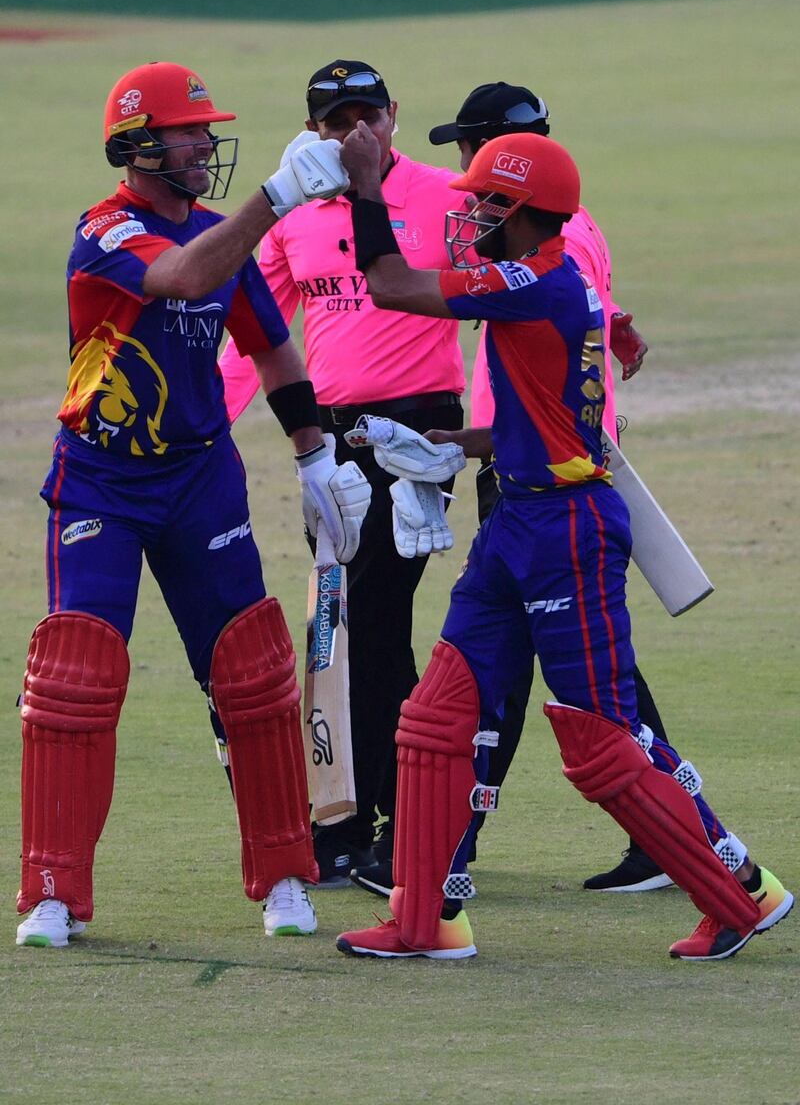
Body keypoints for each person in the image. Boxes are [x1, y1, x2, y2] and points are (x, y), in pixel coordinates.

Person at [334, 123, 792, 961]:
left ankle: (743, 893)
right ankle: (424, 918)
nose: (469, 215)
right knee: (438, 717)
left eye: (483, 203)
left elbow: (392, 283)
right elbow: (540, 415)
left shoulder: (533, 279)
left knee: (602, 737)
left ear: (519, 211)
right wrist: (449, 446)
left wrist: (366, 187)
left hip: (565, 532)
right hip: (520, 517)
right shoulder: (554, 281)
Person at [14, 60, 372, 949]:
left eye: (209, 131)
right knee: (77, 677)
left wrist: (316, 456)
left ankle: (288, 878)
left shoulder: (224, 237)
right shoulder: (105, 231)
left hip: (201, 479)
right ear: (139, 144)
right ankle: (53, 893)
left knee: (251, 674)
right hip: (101, 476)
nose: (207, 144)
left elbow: (275, 349)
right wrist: (277, 198)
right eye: (191, 132)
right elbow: (179, 276)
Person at [218, 59, 467, 886]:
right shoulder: (293, 211)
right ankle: (362, 820)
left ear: (395, 114)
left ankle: (375, 825)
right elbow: (256, 336)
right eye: (336, 120)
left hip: (418, 437)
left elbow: (530, 271)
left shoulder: (445, 193)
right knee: (346, 623)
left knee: (368, 620)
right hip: (331, 445)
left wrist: (601, 326)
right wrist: (199, 431)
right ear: (314, 127)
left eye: (369, 114)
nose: (355, 132)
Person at [422, 81, 671, 895]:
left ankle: (691, 850)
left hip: (554, 487)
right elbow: (599, 323)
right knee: (547, 673)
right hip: (531, 463)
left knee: (587, 692)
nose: (464, 180)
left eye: (471, 154)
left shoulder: (541, 262)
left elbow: (565, 320)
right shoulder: (569, 233)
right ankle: (444, 868)